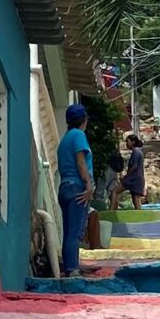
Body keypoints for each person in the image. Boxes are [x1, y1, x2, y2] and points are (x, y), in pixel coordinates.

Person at [57, 102, 93, 277]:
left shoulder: (64, 139)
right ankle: (73, 270)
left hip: (64, 187)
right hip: (76, 187)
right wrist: (88, 184)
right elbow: (80, 162)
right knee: (75, 232)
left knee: (68, 232)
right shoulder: (79, 135)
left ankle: (69, 267)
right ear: (84, 120)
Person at [115, 134, 146, 210]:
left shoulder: (136, 151)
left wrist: (126, 176)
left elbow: (134, 166)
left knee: (114, 192)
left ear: (133, 142)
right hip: (137, 179)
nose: (126, 143)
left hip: (133, 179)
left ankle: (112, 210)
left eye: (127, 141)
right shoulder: (138, 151)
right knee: (136, 201)